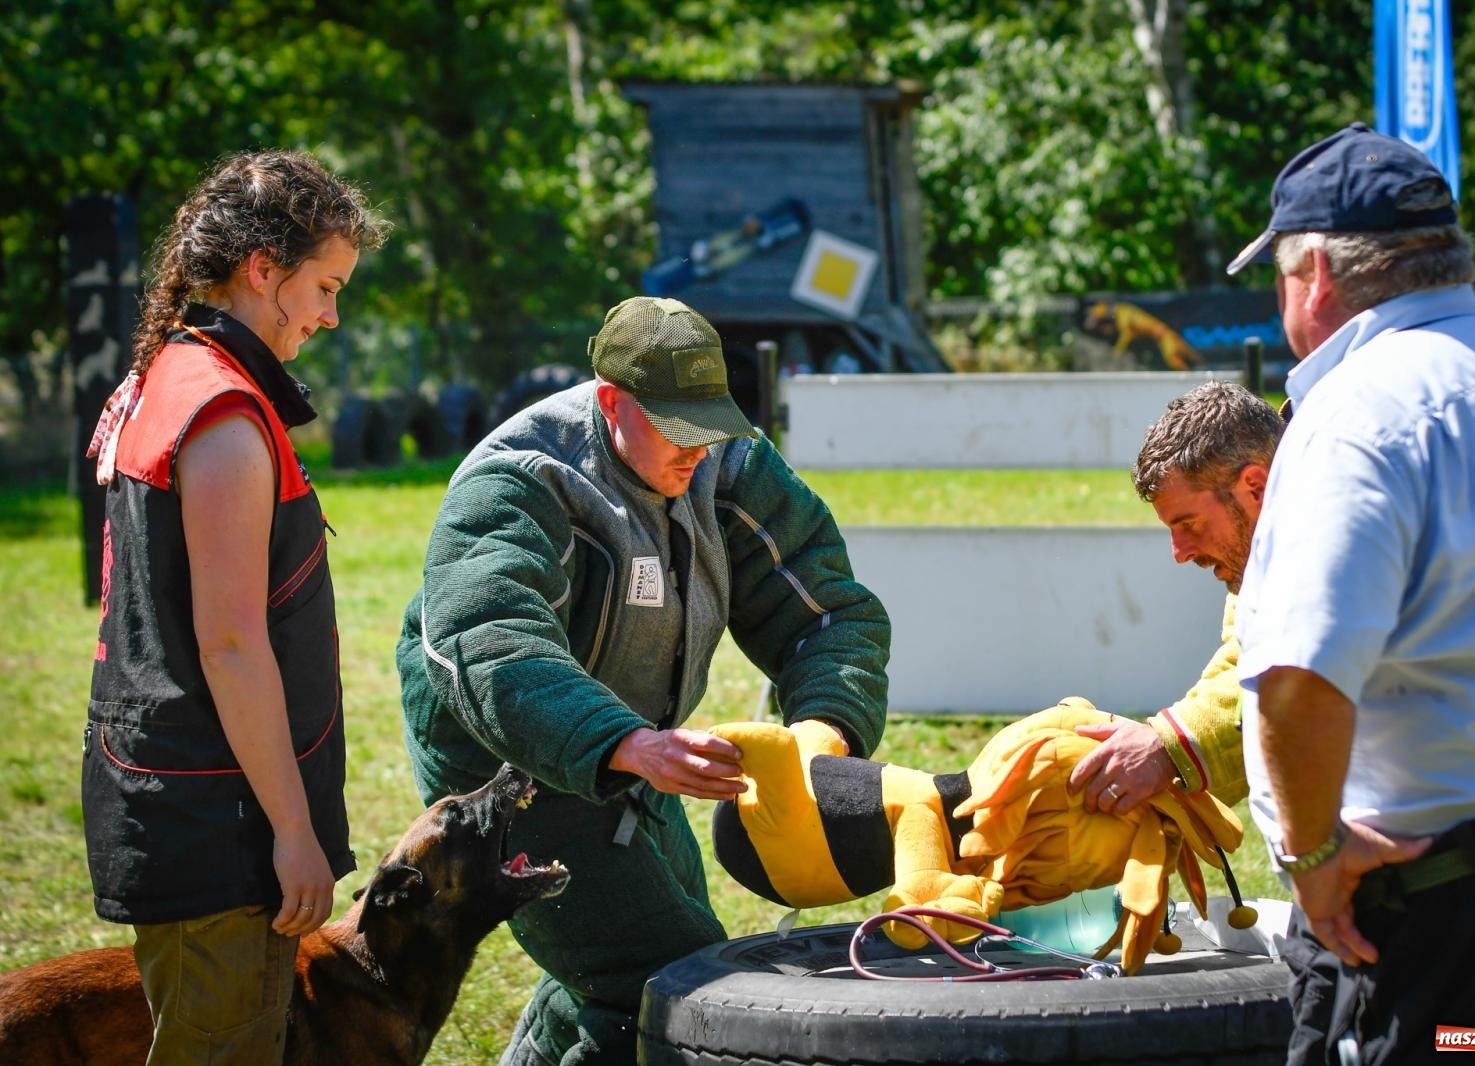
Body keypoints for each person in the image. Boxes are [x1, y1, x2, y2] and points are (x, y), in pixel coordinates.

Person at [394, 295, 891, 1065]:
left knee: (629, 966)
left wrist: (819, 740)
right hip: (508, 765)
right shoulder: (518, 479)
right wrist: (622, 741)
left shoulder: (732, 464)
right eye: (675, 428)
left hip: (639, 747)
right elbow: (490, 640)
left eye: (710, 424)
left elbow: (829, 617)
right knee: (673, 984)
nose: (697, 450)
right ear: (608, 401)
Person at [1228, 122, 1475, 1063]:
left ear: (1313, 273)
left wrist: (1311, 864)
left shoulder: (1354, 416)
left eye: (1277, 276)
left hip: (1438, 906)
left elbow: (1301, 681)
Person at [82, 150, 388, 1064]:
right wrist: (295, 834)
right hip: (216, 823)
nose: (332, 315)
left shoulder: (170, 374)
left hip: (189, 798)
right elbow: (228, 645)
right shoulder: (218, 412)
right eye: (326, 287)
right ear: (264, 269)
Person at [1067, 381, 1283, 815]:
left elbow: (1294, 667)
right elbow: (1246, 655)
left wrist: (1168, 747)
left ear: (1255, 487)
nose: (1180, 554)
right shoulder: (1266, 538)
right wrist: (1164, 744)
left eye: (1190, 524)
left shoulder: (1339, 526)